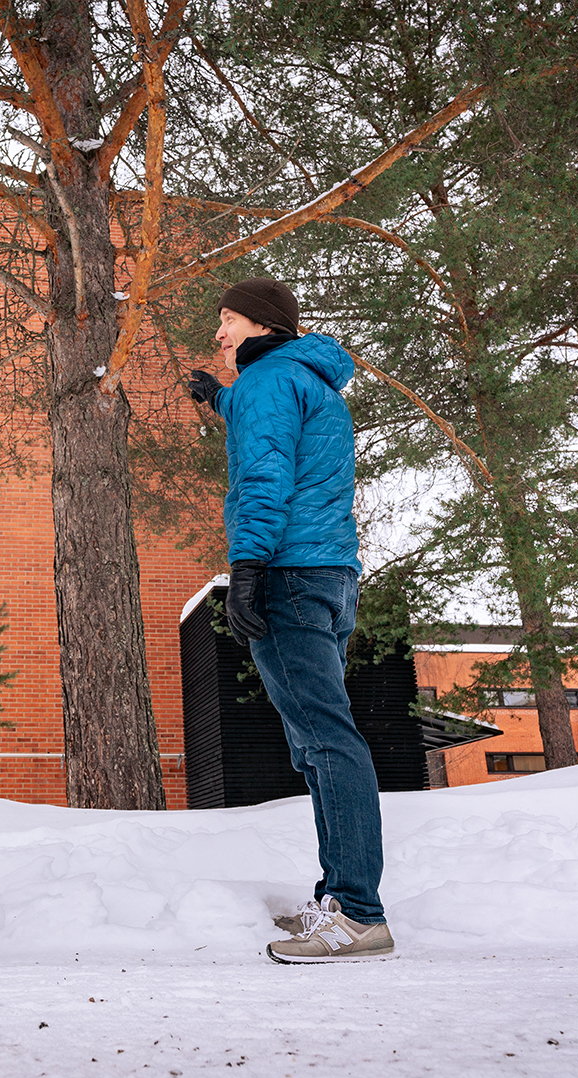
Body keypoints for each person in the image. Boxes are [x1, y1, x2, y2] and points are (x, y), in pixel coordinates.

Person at [186, 278, 393, 964]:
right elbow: (291, 449)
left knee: (327, 741)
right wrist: (222, 401)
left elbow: (265, 477)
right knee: (319, 741)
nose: (219, 334)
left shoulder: (269, 383)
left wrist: (245, 568)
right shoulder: (312, 381)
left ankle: (359, 913)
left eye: (228, 320)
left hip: (289, 574)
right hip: (332, 575)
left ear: (261, 324)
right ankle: (342, 897)